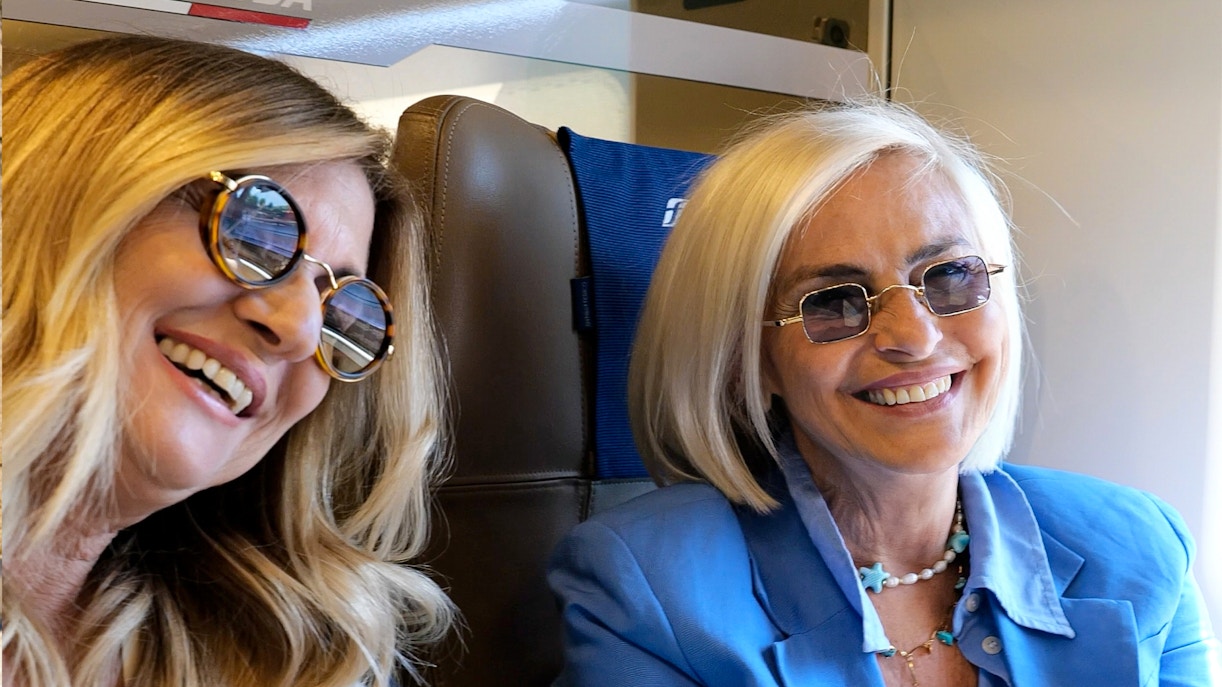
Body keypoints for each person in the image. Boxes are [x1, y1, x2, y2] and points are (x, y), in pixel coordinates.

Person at [548, 101, 1220, 685]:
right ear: (748, 357)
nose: (915, 337)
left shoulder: (1140, 547)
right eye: (835, 301)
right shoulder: (645, 588)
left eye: (950, 275)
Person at [2, 36, 453, 686]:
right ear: (48, 202)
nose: (299, 330)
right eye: (253, 231)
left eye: (343, 315)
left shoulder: (284, 662)